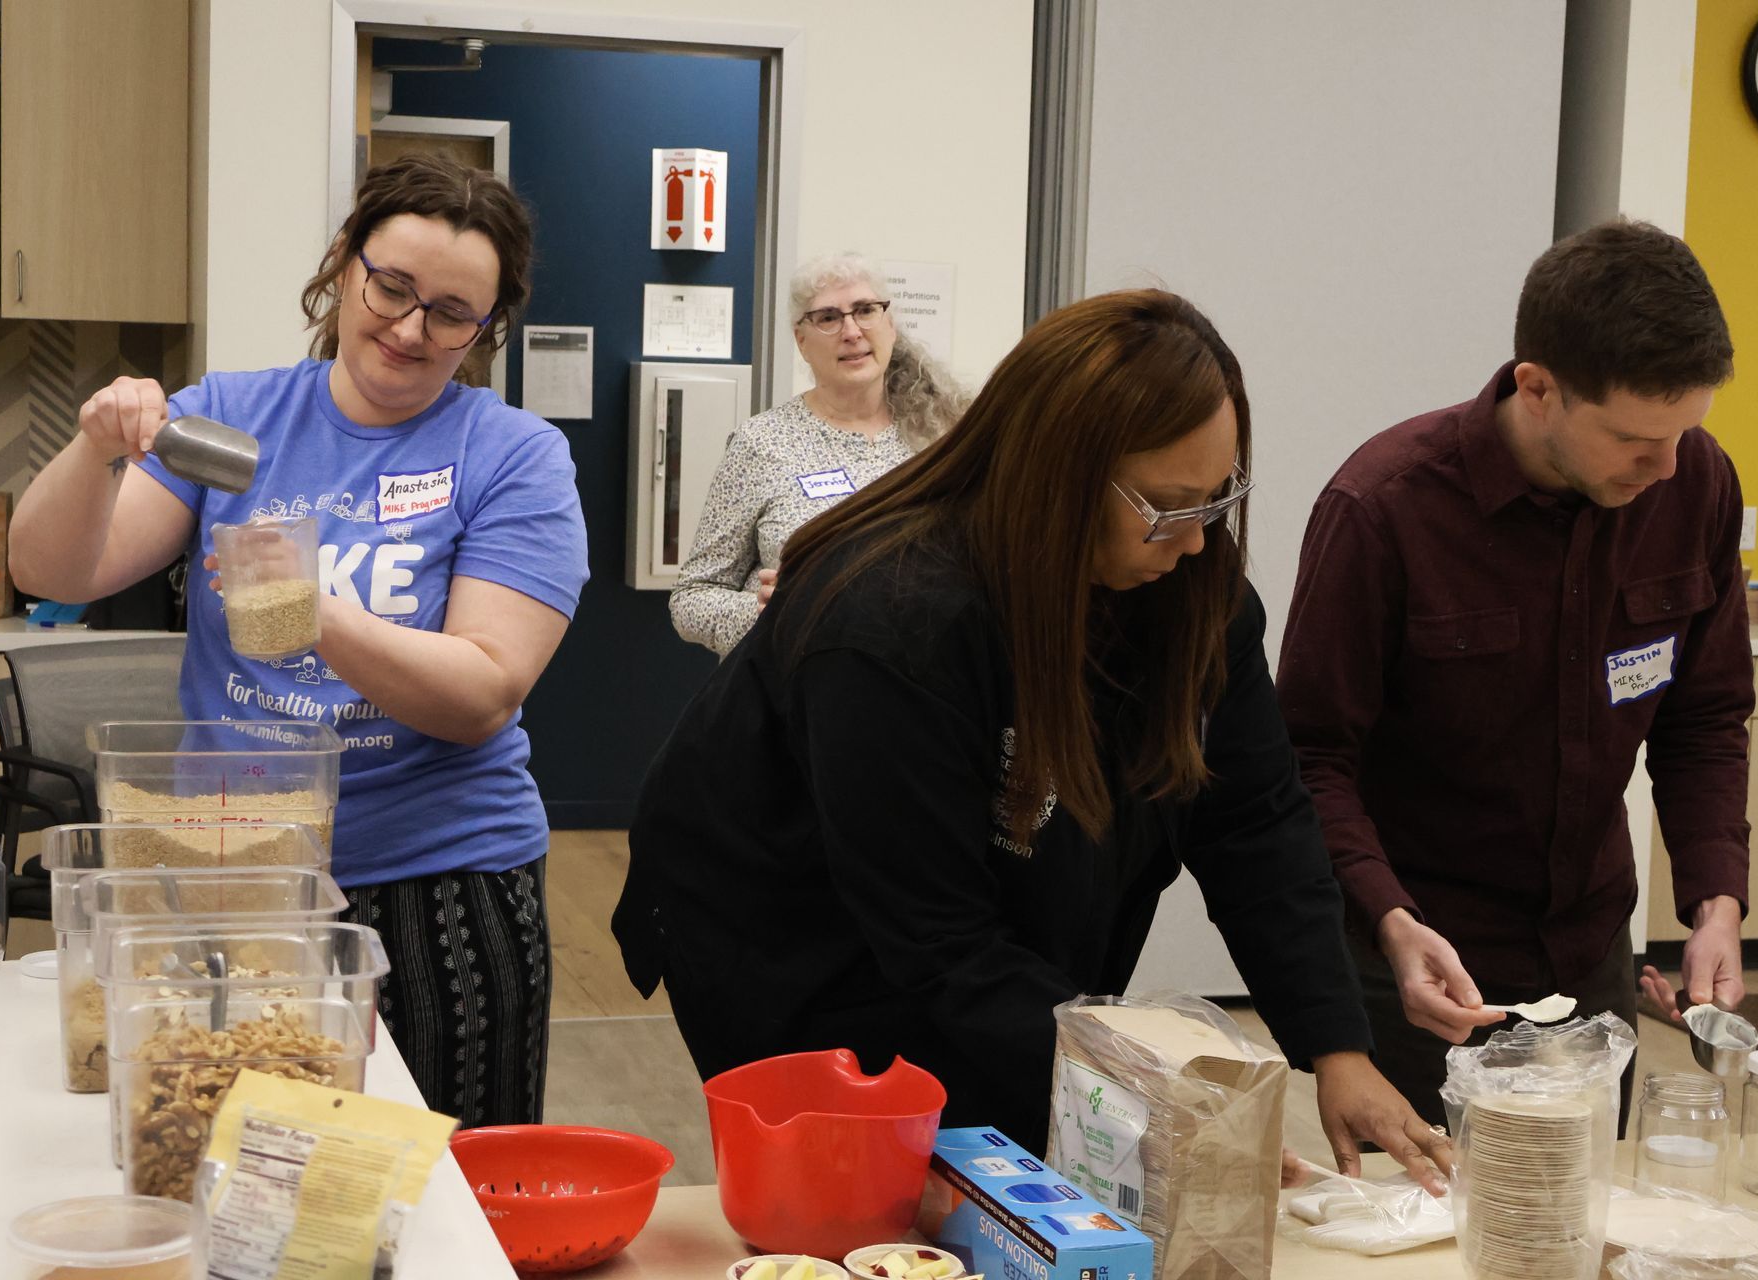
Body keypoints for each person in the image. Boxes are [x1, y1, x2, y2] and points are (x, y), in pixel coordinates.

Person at [614, 289, 1453, 1189]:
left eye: (1219, 499)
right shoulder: (893, 617)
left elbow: (1255, 821)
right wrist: (1146, 1102)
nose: (1199, 541)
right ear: (1058, 477)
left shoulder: (1191, 591)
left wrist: (1335, 1045)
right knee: (895, 1198)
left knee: (1049, 1152)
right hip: (798, 942)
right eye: (1170, 505)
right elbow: (933, 939)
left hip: (970, 935)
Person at [8, 154, 590, 1128]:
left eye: (451, 313)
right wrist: (95, 446)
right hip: (232, 872)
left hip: (440, 876)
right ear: (345, 262)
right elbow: (57, 570)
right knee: (236, 1159)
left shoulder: (512, 456)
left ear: (487, 330)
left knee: (440, 1180)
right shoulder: (231, 419)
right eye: (391, 286)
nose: (409, 328)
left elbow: (484, 687)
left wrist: (313, 609)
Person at [1276, 219, 1748, 1128]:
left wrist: (1716, 898)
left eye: (1686, 431)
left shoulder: (1694, 486)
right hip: (1418, 960)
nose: (1666, 466)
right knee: (1424, 1251)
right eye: (1633, 439)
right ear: (1538, 388)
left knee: (1566, 1233)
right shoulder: (1384, 510)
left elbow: (1706, 718)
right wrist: (1389, 918)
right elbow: (1308, 759)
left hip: (1588, 957)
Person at [669, 253, 969, 656]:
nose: (851, 331)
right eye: (828, 317)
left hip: (921, 691)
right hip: (796, 697)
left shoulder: (945, 439)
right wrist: (765, 613)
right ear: (801, 341)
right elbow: (691, 599)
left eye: (865, 311)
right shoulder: (761, 443)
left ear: (891, 325)